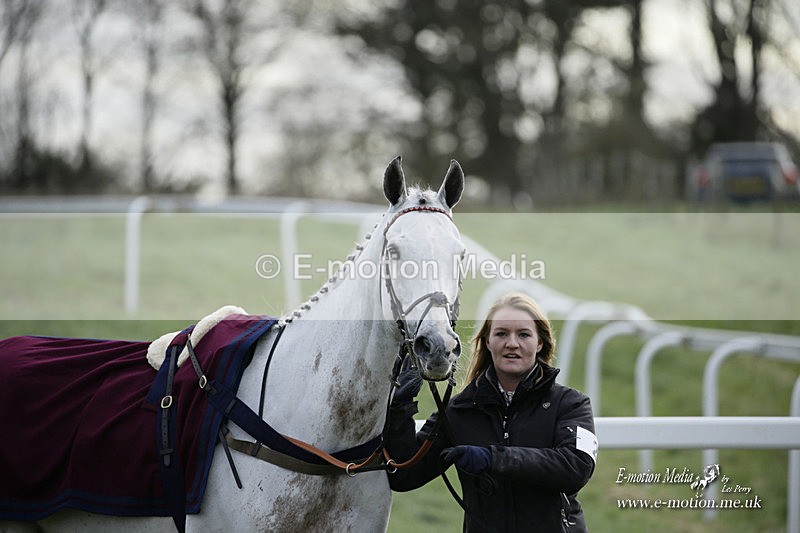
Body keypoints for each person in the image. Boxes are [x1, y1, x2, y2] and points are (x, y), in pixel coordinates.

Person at [386, 292, 597, 532]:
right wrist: (400, 406)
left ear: (540, 343)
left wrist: (493, 459)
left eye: (524, 334)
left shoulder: (572, 404)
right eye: (501, 333)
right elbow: (404, 474)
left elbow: (576, 468)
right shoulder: (459, 410)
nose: (512, 343)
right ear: (487, 342)